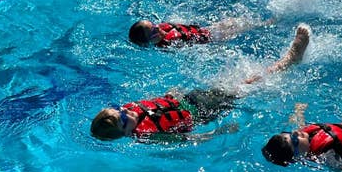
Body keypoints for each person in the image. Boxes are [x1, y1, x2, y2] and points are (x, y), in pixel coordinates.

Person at [91, 25, 310, 141]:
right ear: (127, 134)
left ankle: (286, 62)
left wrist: (172, 95)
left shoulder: (132, 112)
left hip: (192, 98)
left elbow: (155, 105)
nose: (127, 113)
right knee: (248, 84)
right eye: (123, 121)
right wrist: (219, 133)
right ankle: (291, 60)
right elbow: (188, 139)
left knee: (240, 80)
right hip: (205, 111)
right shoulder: (149, 136)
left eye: (120, 111)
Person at [128, 16, 274, 48]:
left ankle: (266, 22)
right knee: (244, 28)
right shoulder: (167, 45)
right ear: (150, 41)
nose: (158, 27)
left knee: (235, 20)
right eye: (153, 30)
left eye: (154, 25)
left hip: (208, 29)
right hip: (212, 39)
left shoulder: (162, 28)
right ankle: (270, 23)